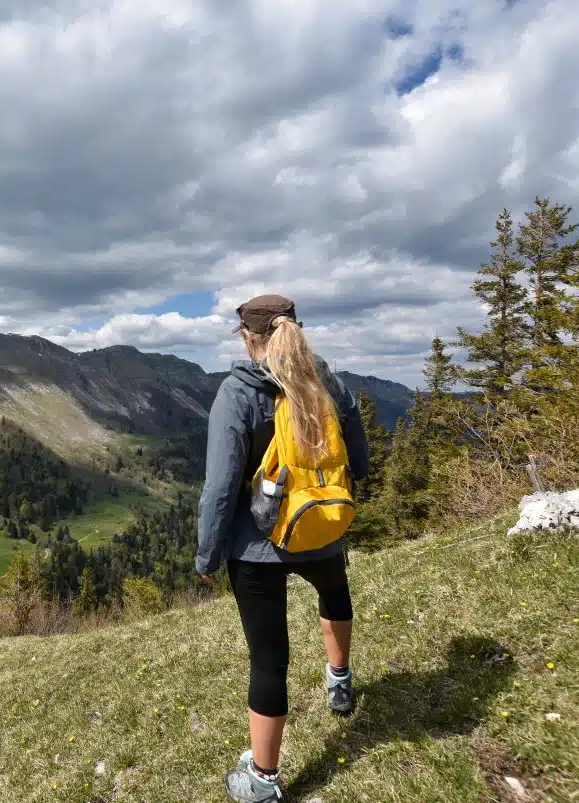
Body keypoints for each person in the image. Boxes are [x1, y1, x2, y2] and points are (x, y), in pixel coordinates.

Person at [196, 294, 369, 802]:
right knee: (334, 596)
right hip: (321, 525)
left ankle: (264, 780)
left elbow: (222, 486)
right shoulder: (328, 382)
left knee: (269, 660)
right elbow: (358, 456)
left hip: (257, 548)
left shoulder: (237, 392)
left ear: (247, 338)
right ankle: (340, 680)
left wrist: (207, 556)